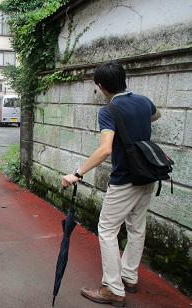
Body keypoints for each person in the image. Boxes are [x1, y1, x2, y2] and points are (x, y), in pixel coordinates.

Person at [61, 61, 161, 307]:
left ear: (101, 86)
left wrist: (78, 173)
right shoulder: (144, 101)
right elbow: (156, 116)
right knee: (137, 227)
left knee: (107, 229)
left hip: (125, 179)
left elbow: (105, 149)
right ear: (124, 80)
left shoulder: (109, 111)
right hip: (147, 174)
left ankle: (113, 289)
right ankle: (129, 276)